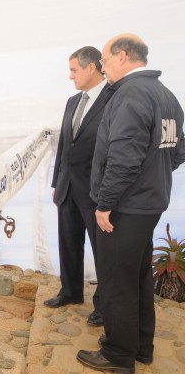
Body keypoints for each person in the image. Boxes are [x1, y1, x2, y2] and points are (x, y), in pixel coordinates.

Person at [77, 34, 185, 373]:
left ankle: (117, 355)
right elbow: (178, 151)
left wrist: (105, 204)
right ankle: (141, 346)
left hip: (125, 207)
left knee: (117, 281)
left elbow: (123, 159)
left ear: (123, 56)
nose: (104, 66)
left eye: (106, 60)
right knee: (137, 275)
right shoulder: (166, 96)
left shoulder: (130, 95)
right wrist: (152, 174)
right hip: (149, 204)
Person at [46, 46, 113, 329]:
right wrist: (55, 181)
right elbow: (65, 143)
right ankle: (71, 292)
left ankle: (104, 307)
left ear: (92, 68)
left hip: (97, 191)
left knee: (103, 252)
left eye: (74, 70)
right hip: (67, 187)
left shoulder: (115, 99)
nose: (70, 76)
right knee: (68, 243)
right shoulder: (73, 101)